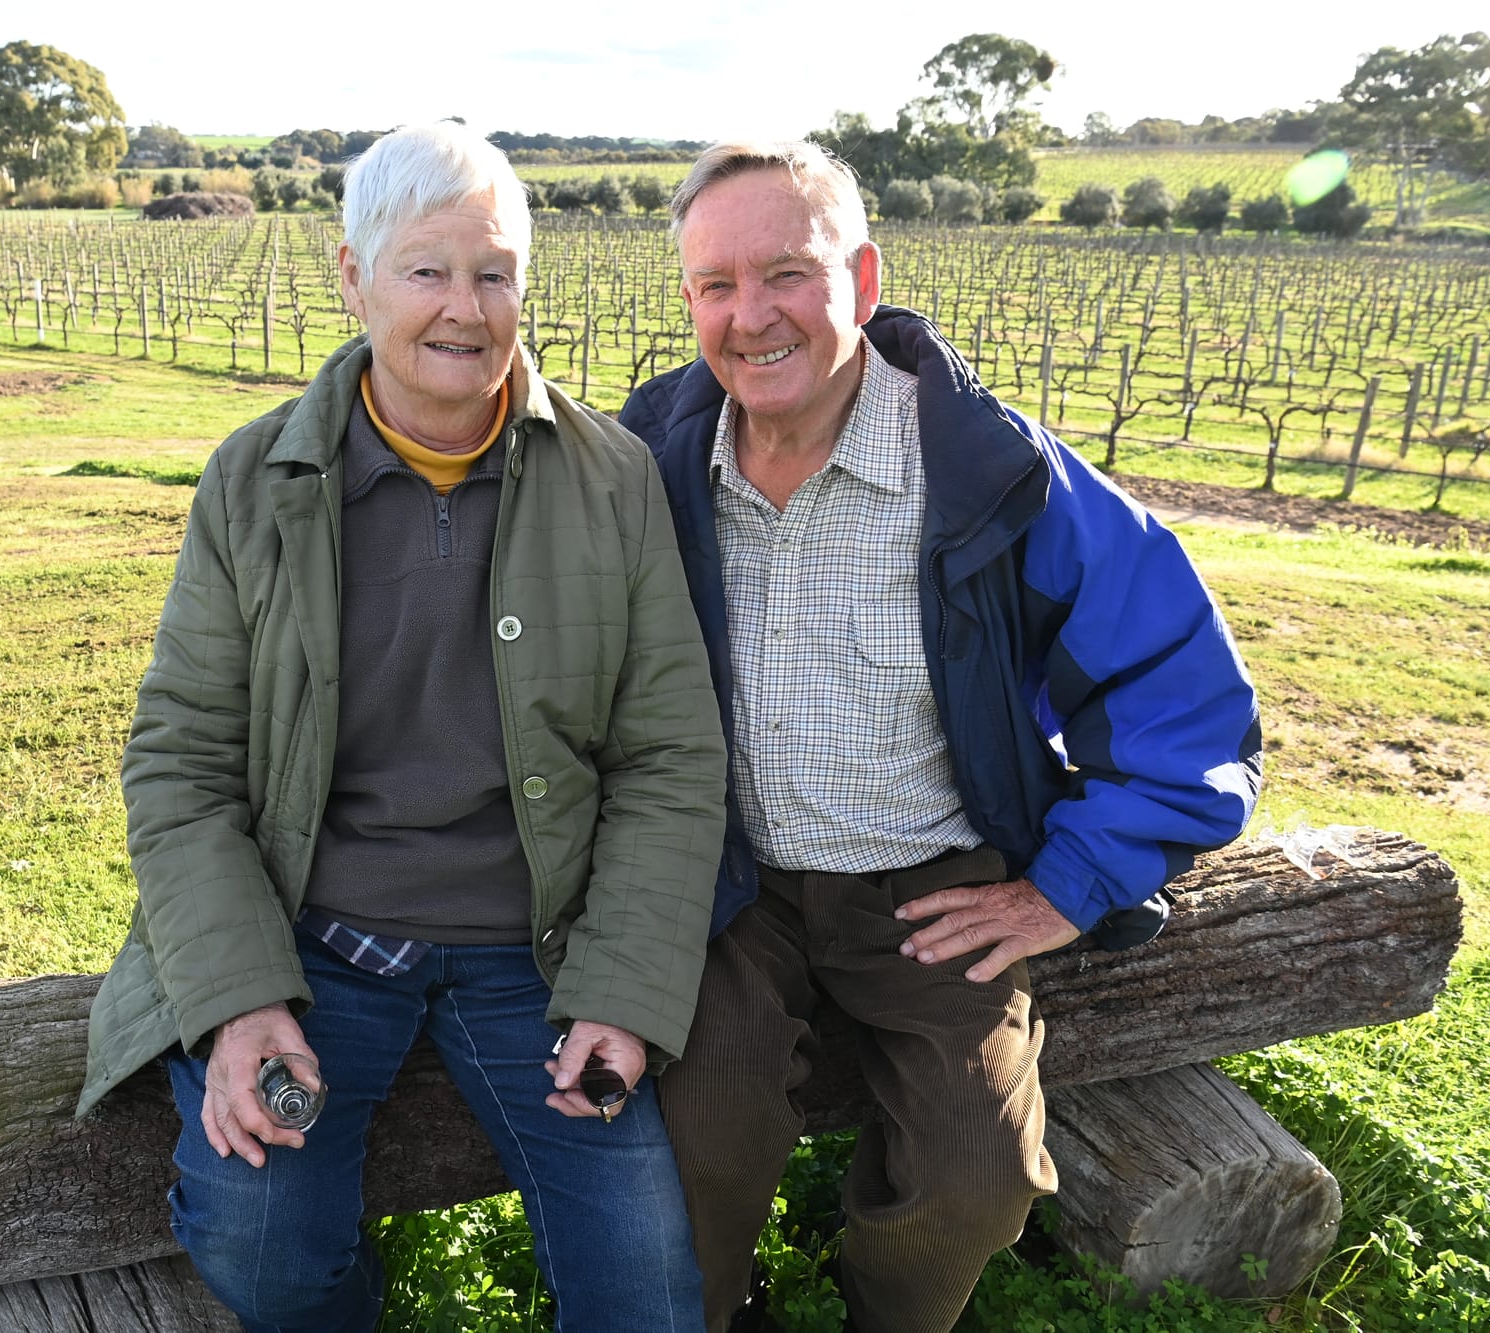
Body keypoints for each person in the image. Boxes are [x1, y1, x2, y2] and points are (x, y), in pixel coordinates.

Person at [77, 122, 727, 1332]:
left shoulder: (613, 478)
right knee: (262, 1242)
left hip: (536, 954)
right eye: (426, 271)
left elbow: (669, 758)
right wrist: (236, 996)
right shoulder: (250, 479)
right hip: (315, 942)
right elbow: (181, 763)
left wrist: (623, 994)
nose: (463, 308)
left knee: (644, 1285)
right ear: (352, 277)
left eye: (493, 272)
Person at [619, 141, 1265, 1333]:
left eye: (785, 273)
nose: (748, 315)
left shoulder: (992, 475)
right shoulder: (647, 466)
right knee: (693, 1140)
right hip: (726, 882)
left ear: (860, 278)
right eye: (714, 284)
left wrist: (1067, 886)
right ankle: (717, 1314)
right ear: (688, 302)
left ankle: (879, 1311)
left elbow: (1185, 696)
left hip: (927, 878)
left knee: (977, 1179)